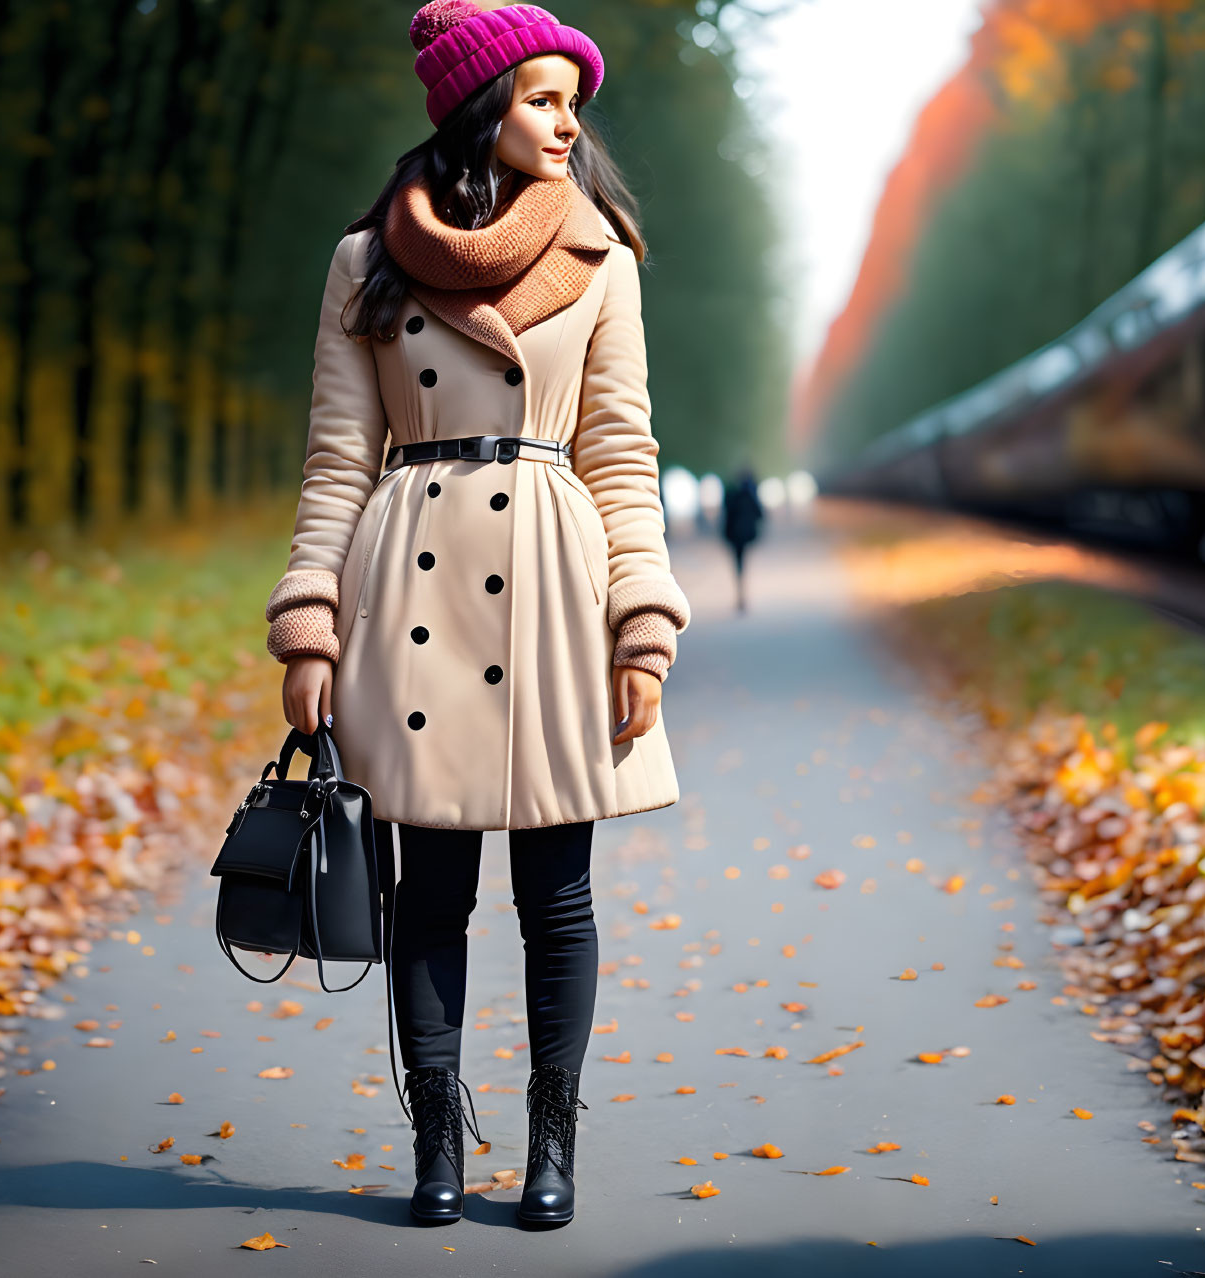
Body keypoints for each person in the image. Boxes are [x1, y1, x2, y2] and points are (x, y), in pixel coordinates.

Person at [262, 0, 692, 1230]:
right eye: (542, 99)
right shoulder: (366, 261)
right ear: (477, 107)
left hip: (557, 585)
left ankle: (552, 1144)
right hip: (411, 593)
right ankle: (436, 1143)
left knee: (556, 896)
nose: (567, 122)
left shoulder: (601, 251)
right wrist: (309, 626)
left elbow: (620, 452)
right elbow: (337, 460)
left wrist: (642, 625)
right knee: (430, 896)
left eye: (573, 101)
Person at [721, 464, 763, 612]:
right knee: (741, 564)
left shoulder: (731, 493)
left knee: (738, 565)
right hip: (743, 535)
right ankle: (741, 594)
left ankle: (741, 594)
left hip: (734, 536)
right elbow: (759, 514)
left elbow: (725, 514)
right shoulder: (750, 494)